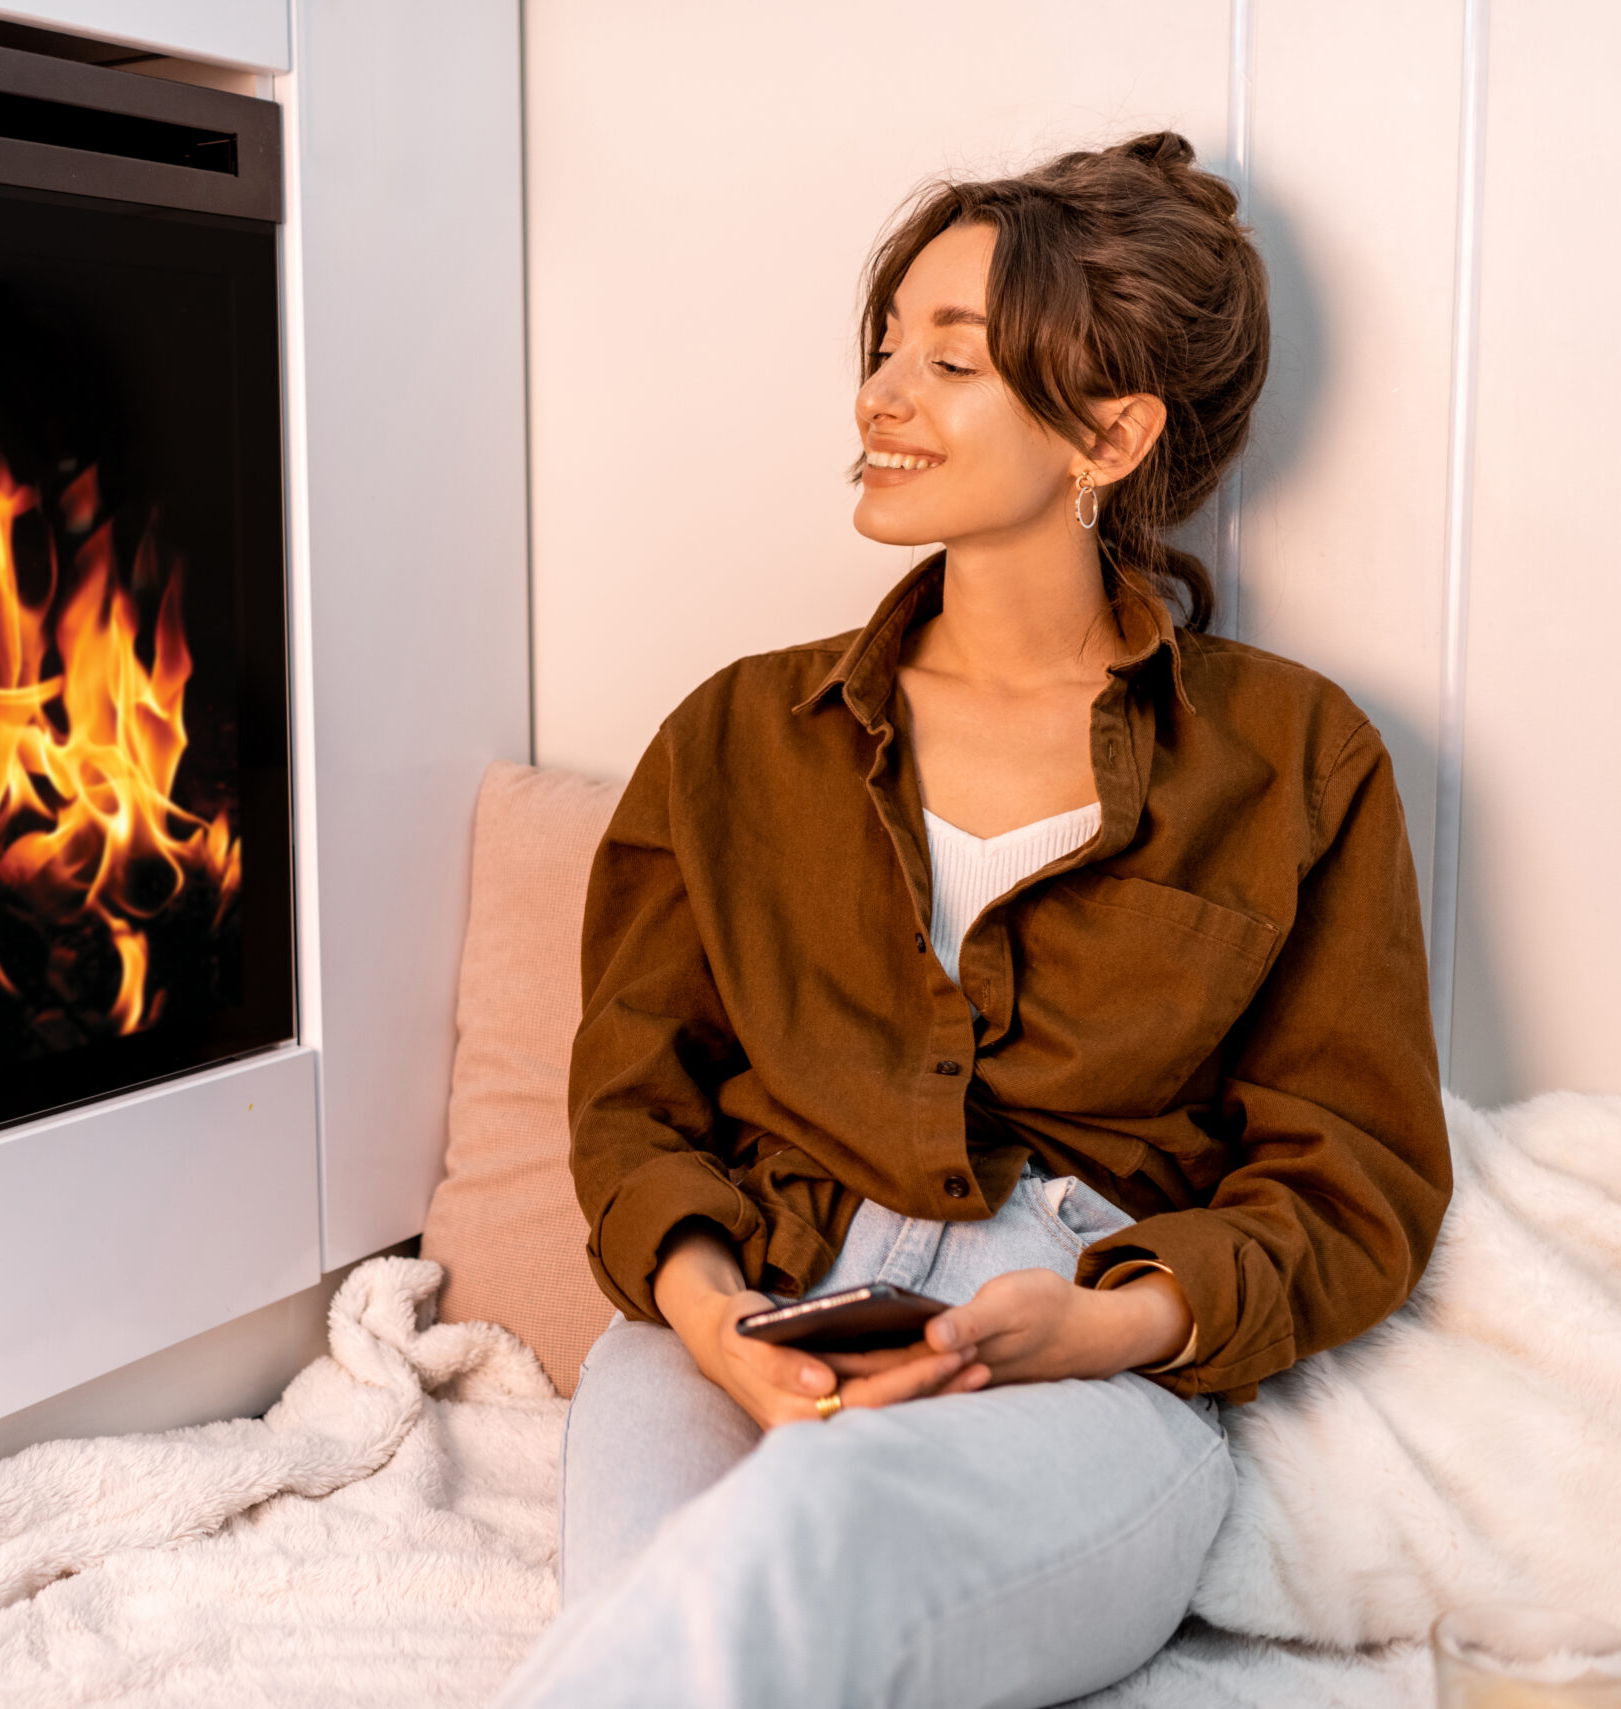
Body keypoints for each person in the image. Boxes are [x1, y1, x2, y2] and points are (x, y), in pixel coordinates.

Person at [497, 132, 1450, 1708]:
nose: (882, 396)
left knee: (804, 1542)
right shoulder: (738, 735)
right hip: (738, 1303)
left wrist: (1103, 1325)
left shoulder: (1292, 757)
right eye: (884, 350)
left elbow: (1353, 1178)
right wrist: (715, 1317)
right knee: (666, 1617)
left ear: (1110, 432)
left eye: (951, 360)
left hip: (1079, 1345)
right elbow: (630, 1105)